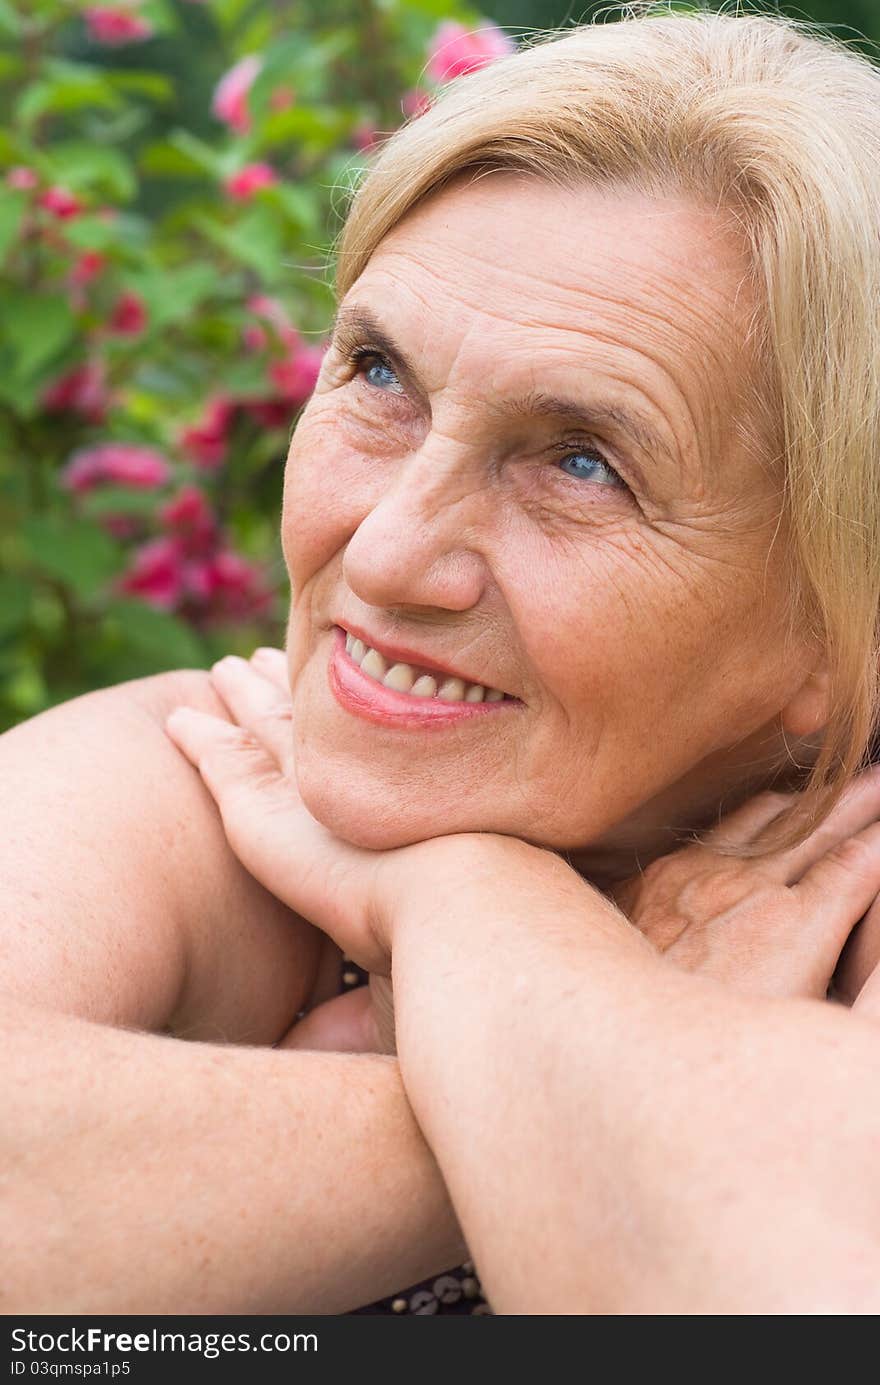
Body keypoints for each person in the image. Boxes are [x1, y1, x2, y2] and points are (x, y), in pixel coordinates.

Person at [4, 6, 880, 1315]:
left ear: (837, 629)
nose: (391, 552)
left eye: (583, 461)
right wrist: (587, 1072)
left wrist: (462, 908)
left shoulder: (842, 885)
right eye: (377, 374)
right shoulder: (225, 757)